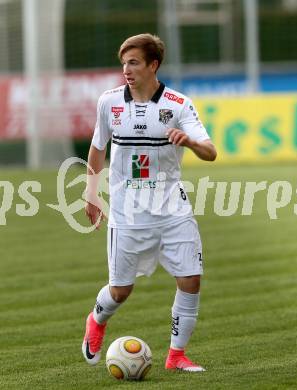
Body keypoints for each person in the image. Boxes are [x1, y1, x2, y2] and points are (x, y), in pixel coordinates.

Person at [82, 33, 217, 372]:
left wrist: (188, 141)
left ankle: (176, 356)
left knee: (191, 279)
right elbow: (98, 147)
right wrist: (91, 191)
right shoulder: (109, 102)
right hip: (128, 213)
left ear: (153, 64)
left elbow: (210, 152)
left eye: (134, 63)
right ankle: (96, 322)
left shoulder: (178, 104)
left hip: (173, 209)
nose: (126, 70)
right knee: (120, 290)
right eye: (124, 63)